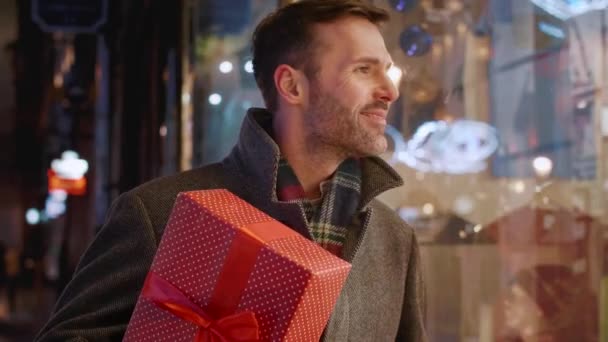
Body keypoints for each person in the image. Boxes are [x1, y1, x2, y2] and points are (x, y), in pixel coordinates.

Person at [34, 1, 427, 340]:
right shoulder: (160, 212)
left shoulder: (394, 239)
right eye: (363, 70)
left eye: (387, 71)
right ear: (292, 86)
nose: (389, 91)